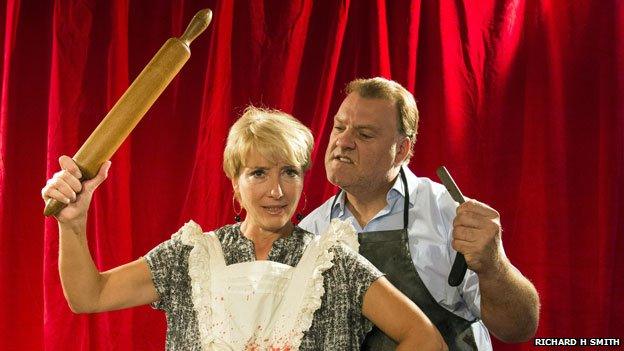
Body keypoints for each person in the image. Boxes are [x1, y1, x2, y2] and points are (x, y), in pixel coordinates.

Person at [41, 106, 447, 350]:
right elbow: (88, 296)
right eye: (258, 173)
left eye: (290, 171)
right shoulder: (191, 257)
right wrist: (72, 224)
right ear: (234, 181)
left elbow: (425, 339)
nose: (276, 190)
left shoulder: (333, 265)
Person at [299, 77, 540, 350]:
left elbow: (519, 327)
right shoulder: (311, 232)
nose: (343, 141)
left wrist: (493, 265)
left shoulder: (449, 214)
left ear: (401, 150)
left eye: (364, 134)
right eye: (339, 127)